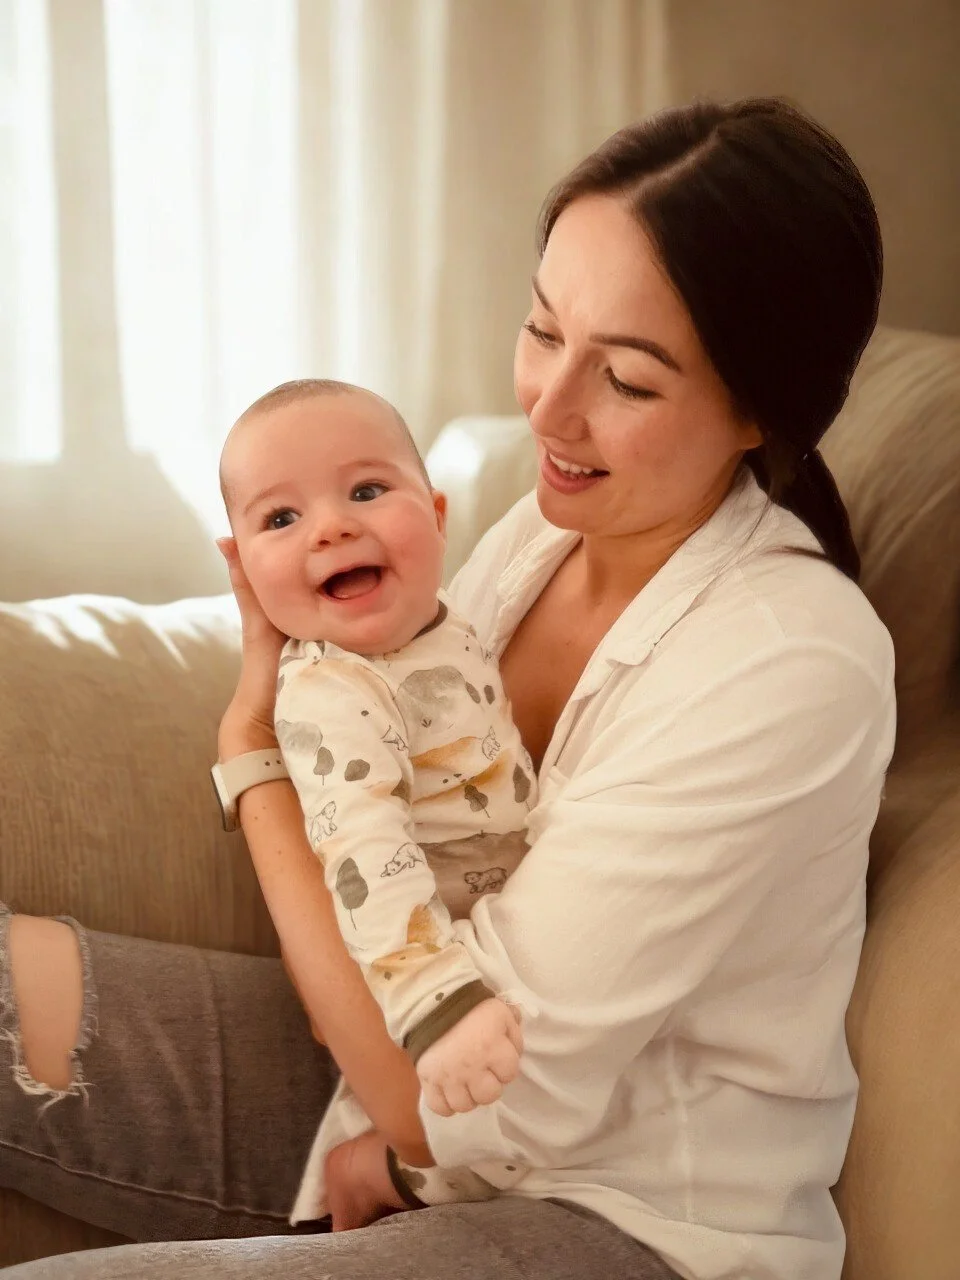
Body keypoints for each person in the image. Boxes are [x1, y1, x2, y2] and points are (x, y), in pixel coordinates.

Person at [0, 96, 895, 1280]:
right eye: (541, 329)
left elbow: (458, 1102)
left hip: (615, 1216)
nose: (548, 405)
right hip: (392, 1092)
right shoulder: (542, 530)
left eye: (623, 378)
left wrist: (255, 763)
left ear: (758, 411)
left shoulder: (790, 658)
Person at [217, 379, 537, 1219]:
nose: (331, 526)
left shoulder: (446, 623)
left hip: (493, 923)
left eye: (366, 490)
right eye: (280, 520)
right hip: (412, 971)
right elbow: (368, 859)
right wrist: (439, 1006)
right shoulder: (333, 692)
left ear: (436, 514)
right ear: (245, 573)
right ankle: (371, 1175)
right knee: (494, 1147)